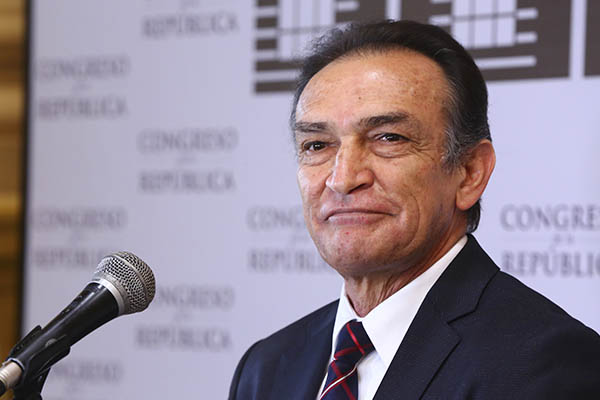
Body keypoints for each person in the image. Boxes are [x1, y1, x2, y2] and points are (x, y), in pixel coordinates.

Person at [229, 20, 600, 399]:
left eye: (388, 138)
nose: (342, 179)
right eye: (317, 145)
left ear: (469, 172)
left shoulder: (548, 367)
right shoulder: (266, 368)